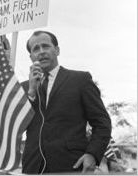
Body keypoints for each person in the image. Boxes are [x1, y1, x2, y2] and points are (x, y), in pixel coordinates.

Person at [21, 30, 112, 174]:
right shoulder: (24, 88)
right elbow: (17, 128)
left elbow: (102, 122)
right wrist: (31, 92)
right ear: (31, 56)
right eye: (36, 49)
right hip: (33, 166)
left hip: (71, 165)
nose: (41, 51)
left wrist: (93, 154)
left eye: (46, 46)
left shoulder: (80, 80)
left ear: (57, 50)